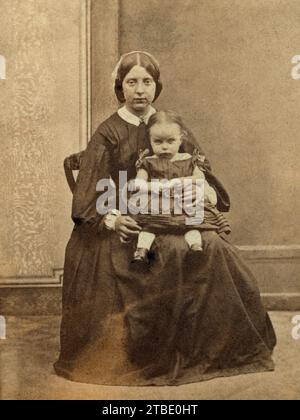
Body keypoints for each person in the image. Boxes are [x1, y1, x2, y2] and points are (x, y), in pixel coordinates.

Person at [54, 51, 276, 386]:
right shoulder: (108, 131)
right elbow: (91, 192)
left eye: (147, 82)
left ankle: (203, 350)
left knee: (214, 248)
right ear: (120, 86)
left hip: (179, 216)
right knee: (146, 255)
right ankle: (144, 352)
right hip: (128, 216)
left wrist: (195, 195)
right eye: (132, 82)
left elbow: (199, 169)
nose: (140, 90)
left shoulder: (169, 125)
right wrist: (113, 219)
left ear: (157, 86)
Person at [131, 110, 231, 265]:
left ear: (181, 139)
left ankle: (196, 248)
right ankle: (141, 251)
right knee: (149, 228)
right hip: (158, 206)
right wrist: (157, 186)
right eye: (158, 142)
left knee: (191, 226)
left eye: (170, 141)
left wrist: (179, 182)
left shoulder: (189, 160)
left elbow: (200, 178)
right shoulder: (148, 162)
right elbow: (138, 183)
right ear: (149, 140)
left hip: (184, 205)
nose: (164, 147)